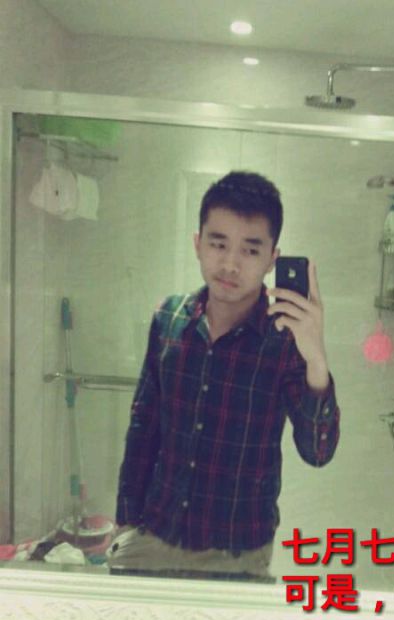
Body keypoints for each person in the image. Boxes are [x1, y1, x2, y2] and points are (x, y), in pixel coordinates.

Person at [108, 171, 340, 576]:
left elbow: (317, 453)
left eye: (250, 250)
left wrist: (316, 360)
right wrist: (125, 521)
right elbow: (143, 426)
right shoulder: (168, 317)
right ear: (198, 244)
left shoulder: (285, 339)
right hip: (151, 535)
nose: (230, 264)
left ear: (271, 259)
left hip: (237, 552)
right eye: (218, 244)